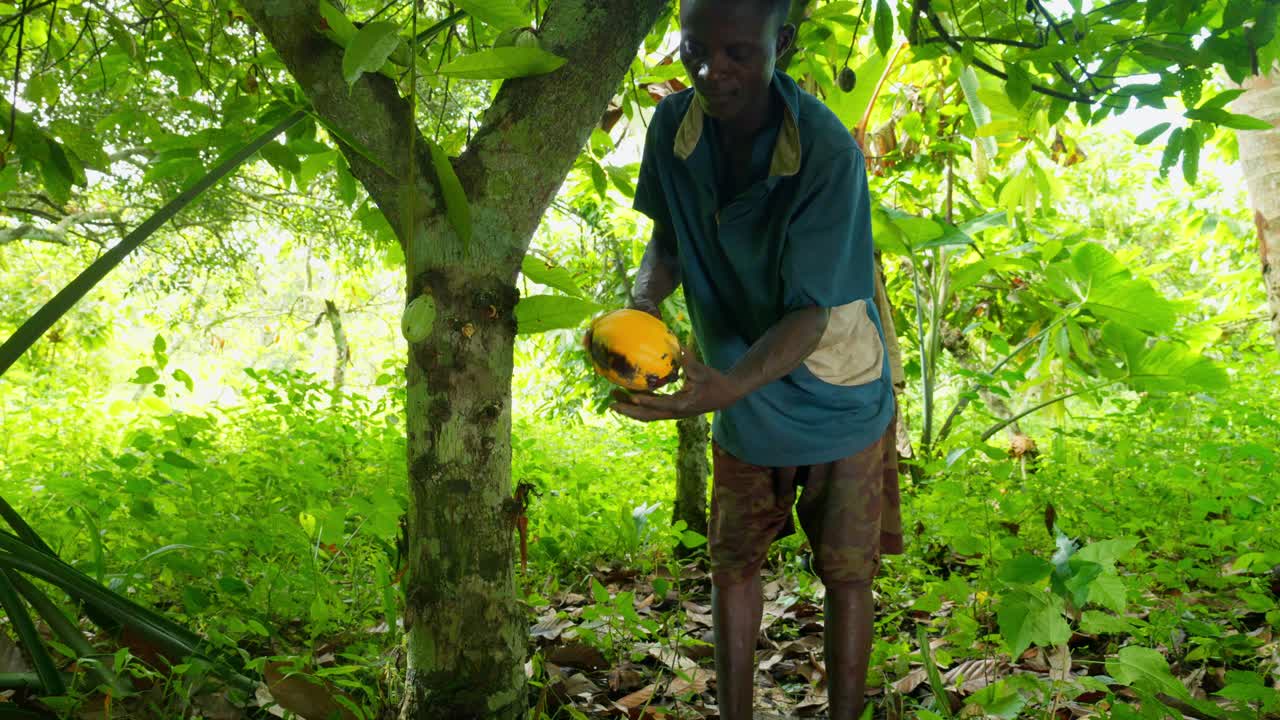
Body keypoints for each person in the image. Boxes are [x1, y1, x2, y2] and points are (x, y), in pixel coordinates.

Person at [608, 0, 904, 717]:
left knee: (845, 572)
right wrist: (642, 303)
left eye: (739, 52)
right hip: (739, 392)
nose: (713, 71)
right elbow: (671, 240)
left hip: (836, 390)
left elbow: (813, 311)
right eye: (695, 50)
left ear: (785, 43)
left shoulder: (826, 154)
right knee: (733, 564)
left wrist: (727, 386)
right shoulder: (674, 129)